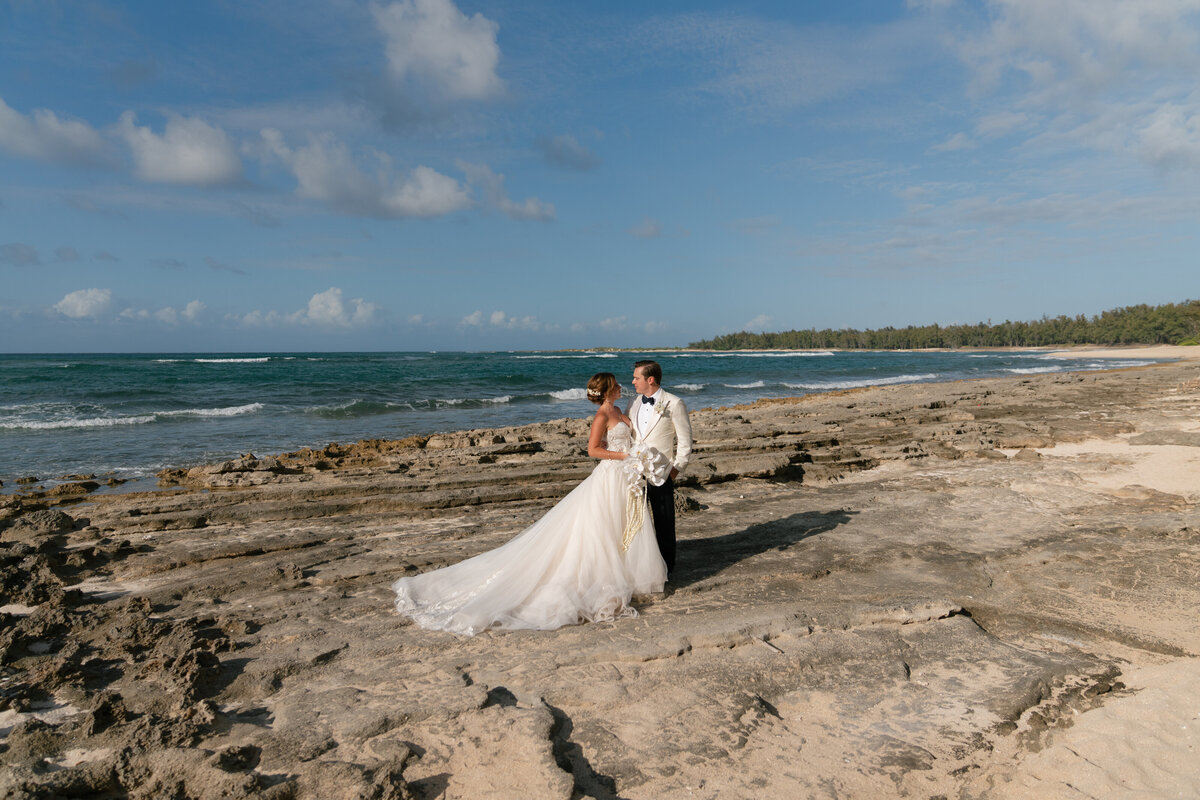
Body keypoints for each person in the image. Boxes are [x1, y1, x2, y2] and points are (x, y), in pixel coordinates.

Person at [392, 372, 667, 636]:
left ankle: (628, 573)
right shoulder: (602, 415)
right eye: (616, 384)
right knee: (602, 528)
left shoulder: (621, 411)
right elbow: (592, 449)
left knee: (626, 524)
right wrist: (624, 456)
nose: (621, 386)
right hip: (611, 475)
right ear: (607, 391)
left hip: (626, 478)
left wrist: (637, 455)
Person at [628, 360, 692, 577]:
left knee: (664, 523)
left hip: (662, 473)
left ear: (650, 379)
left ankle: (666, 570)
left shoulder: (674, 403)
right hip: (635, 473)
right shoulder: (634, 402)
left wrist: (675, 470)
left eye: (637, 377)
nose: (633, 381)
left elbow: (685, 441)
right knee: (636, 521)